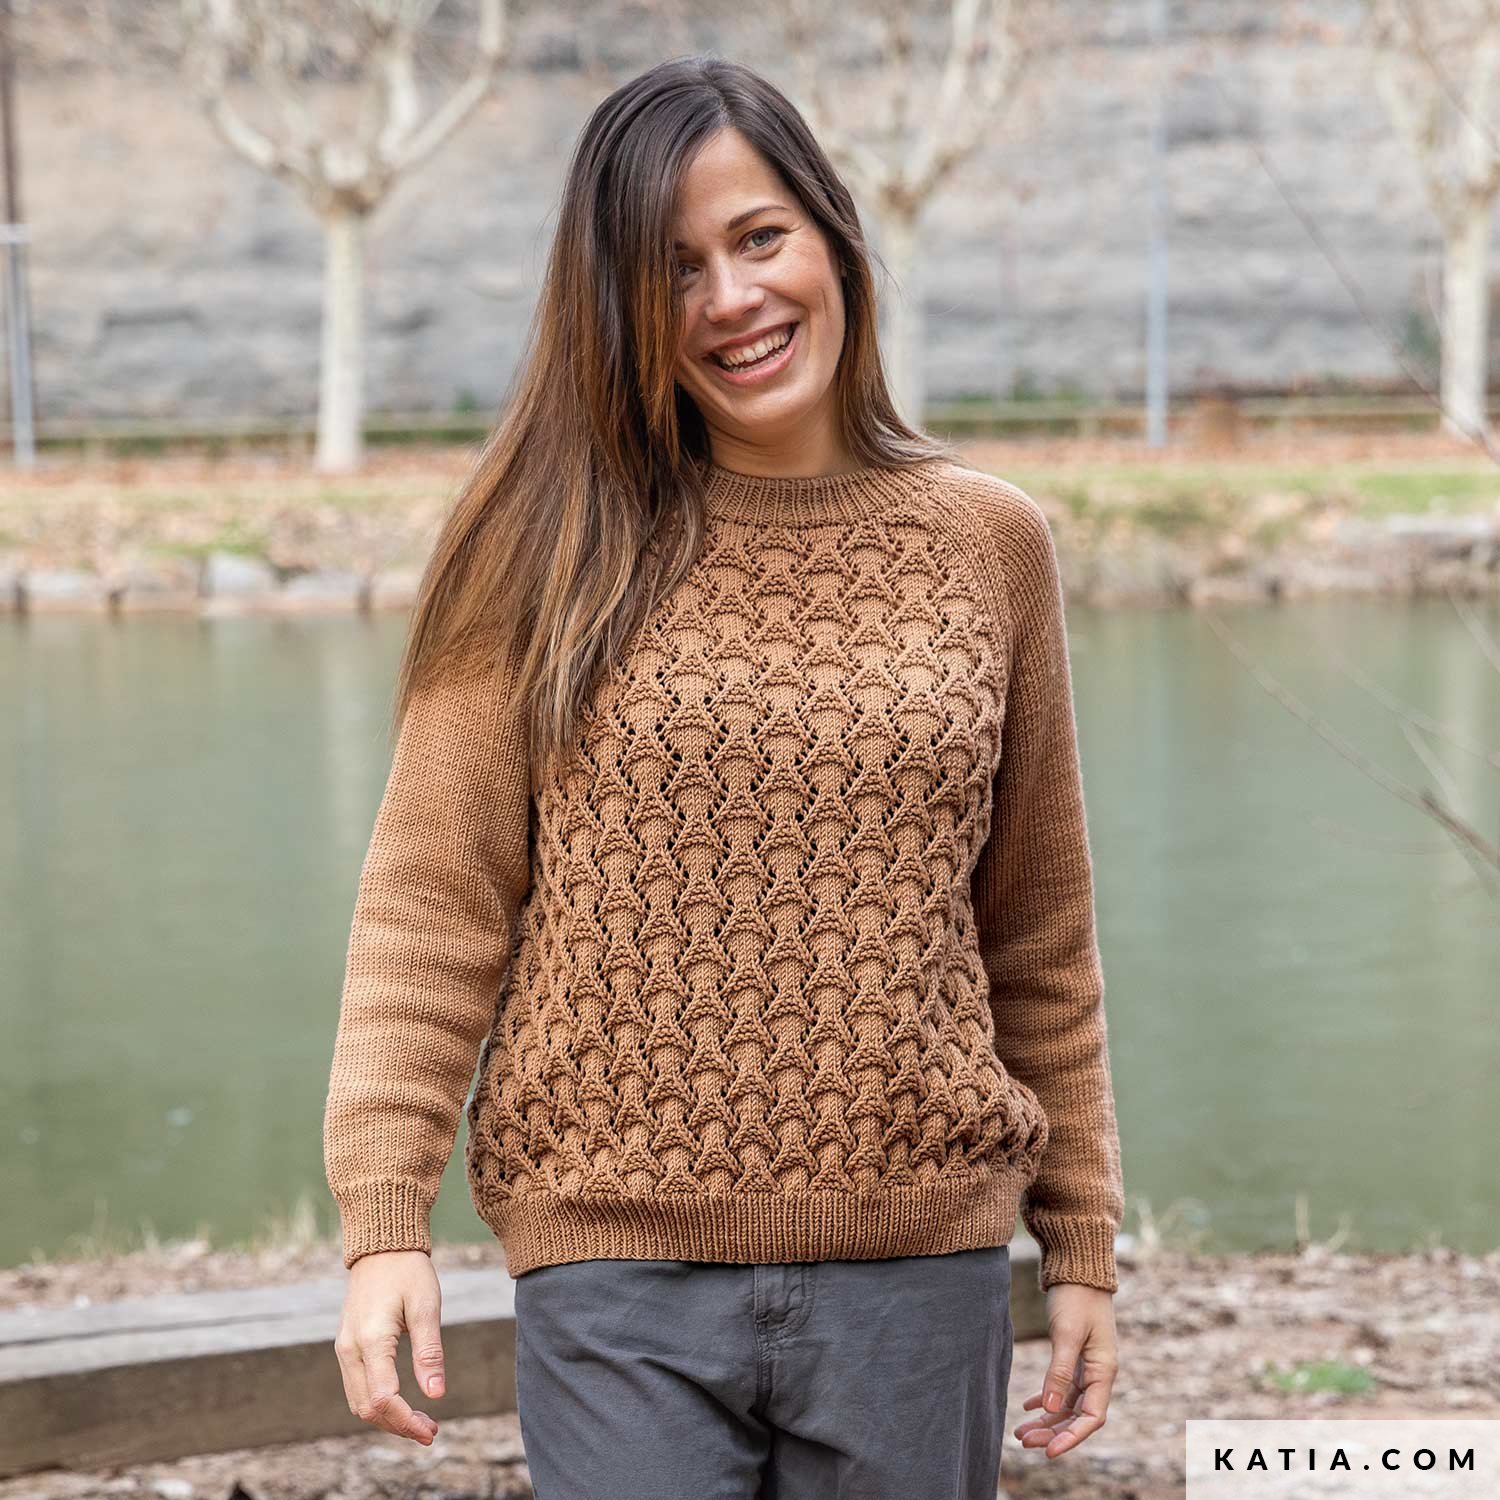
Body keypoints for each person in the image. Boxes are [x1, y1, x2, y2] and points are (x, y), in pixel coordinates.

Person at [324, 52, 1124, 1499]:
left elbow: (1038, 935)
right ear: (615, 308)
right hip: (614, 1281)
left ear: (833, 238)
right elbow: (433, 909)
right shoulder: (538, 546)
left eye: (760, 238)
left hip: (917, 1276)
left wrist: (1080, 1243)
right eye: (674, 270)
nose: (732, 298)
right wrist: (385, 1219)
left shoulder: (987, 544)